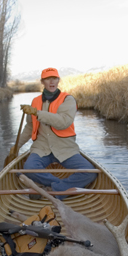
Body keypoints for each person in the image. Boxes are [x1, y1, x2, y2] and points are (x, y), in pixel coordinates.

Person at [11, 67, 96, 199]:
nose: (51, 82)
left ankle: (52, 189)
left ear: (58, 80)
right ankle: (61, 187)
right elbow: (29, 127)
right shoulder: (35, 102)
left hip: (65, 148)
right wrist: (16, 146)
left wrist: (37, 113)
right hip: (42, 148)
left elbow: (63, 122)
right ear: (42, 82)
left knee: (90, 172)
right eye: (47, 79)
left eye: (54, 78)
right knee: (29, 168)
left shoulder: (68, 100)